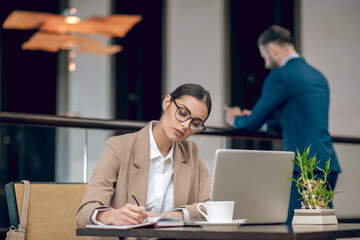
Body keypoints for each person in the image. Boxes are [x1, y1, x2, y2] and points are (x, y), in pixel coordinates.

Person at [224, 25, 341, 223]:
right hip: (327, 163)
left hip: (305, 168)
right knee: (322, 228)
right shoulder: (318, 75)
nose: (265, 64)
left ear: (272, 49)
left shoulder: (281, 75)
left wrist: (234, 118)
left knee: (296, 228)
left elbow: (251, 124)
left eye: (264, 56)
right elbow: (298, 120)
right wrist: (261, 119)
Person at [77, 83, 212, 228]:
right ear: (167, 103)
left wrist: (170, 216)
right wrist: (112, 216)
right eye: (182, 113)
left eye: (195, 123)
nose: (185, 125)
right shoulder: (118, 147)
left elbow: (214, 206)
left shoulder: (191, 152)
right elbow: (85, 212)